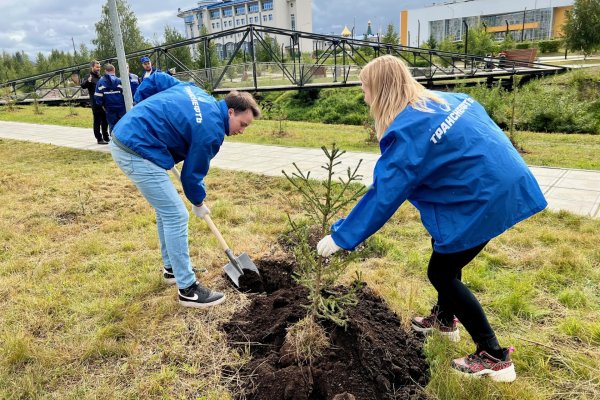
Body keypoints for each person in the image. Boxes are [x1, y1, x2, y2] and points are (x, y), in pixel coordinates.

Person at [315, 55, 547, 383]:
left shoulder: (408, 132)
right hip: (505, 183)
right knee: (449, 252)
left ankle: (493, 356)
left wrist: (342, 236)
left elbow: (385, 193)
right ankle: (443, 319)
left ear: (380, 90)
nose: (363, 96)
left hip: (481, 198)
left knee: (440, 273)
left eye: (365, 89)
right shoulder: (451, 100)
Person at [109, 72, 260, 308]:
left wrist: (143, 106)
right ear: (231, 112)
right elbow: (192, 175)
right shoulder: (211, 131)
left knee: (166, 212)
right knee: (176, 214)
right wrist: (198, 202)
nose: (242, 130)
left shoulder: (198, 92)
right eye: (243, 124)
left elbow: (157, 79)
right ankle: (188, 289)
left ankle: (171, 270)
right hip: (136, 149)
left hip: (130, 138)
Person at [80, 60, 109, 144]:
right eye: (97, 67)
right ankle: (99, 139)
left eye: (99, 67)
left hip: (103, 103)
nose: (98, 69)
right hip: (95, 103)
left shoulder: (100, 77)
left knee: (105, 120)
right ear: (92, 67)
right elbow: (83, 86)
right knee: (97, 121)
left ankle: (106, 137)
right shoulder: (88, 76)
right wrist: (88, 81)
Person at [94, 63, 126, 133]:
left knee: (112, 125)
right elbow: (125, 94)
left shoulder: (100, 82)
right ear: (114, 70)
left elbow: (98, 96)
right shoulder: (120, 81)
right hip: (121, 107)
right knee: (123, 125)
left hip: (109, 107)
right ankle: (123, 142)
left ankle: (114, 141)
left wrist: (102, 105)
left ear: (105, 71)